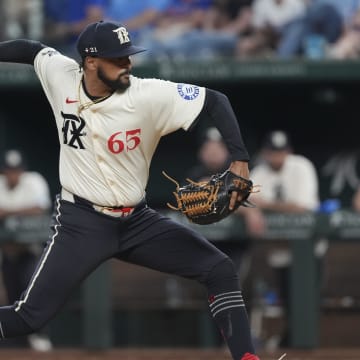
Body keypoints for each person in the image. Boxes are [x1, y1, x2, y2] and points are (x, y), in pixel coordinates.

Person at [0, 20, 274, 360]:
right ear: (90, 63)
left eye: (128, 56)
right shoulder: (60, 75)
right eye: (118, 58)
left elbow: (215, 101)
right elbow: (32, 50)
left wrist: (240, 160)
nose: (127, 63)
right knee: (27, 317)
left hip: (137, 222)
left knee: (219, 269)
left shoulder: (147, 94)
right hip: (81, 223)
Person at [243, 130, 321, 348]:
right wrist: (252, 210)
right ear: (265, 153)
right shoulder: (259, 172)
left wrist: (264, 205)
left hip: (307, 248)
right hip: (277, 250)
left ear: (289, 151)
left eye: (281, 151)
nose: (277, 156)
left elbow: (302, 208)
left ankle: (307, 346)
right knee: (286, 299)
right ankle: (289, 342)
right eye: (272, 152)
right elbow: (242, 200)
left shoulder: (301, 166)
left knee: (306, 302)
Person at [0, 149, 52, 351]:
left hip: (30, 249)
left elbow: (40, 208)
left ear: (22, 170)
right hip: (7, 251)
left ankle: (40, 335)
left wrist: (8, 213)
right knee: (12, 294)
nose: (13, 174)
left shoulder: (34, 181)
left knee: (30, 291)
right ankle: (17, 341)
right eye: (9, 170)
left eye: (16, 170)